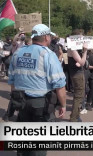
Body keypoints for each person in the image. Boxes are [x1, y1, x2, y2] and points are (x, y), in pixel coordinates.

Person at [8, 24, 67, 156]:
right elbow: (59, 85)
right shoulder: (48, 55)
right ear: (46, 37)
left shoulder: (18, 52)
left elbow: (12, 80)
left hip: (21, 101)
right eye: (50, 36)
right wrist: (63, 105)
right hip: (41, 104)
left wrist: (15, 98)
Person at [68, 29, 88, 122]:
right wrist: (85, 51)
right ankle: (73, 118)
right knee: (78, 96)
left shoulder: (74, 47)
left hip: (77, 73)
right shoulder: (73, 47)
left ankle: (76, 115)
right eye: (81, 37)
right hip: (77, 74)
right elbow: (82, 62)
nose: (82, 39)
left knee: (80, 95)